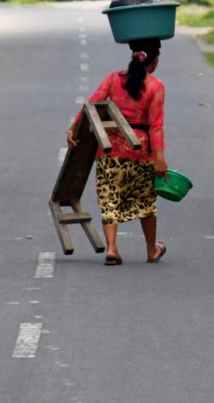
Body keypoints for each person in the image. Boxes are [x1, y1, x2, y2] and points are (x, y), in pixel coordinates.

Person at [67, 38, 168, 265]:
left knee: (109, 199)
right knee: (146, 203)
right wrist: (160, 159)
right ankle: (152, 250)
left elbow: (90, 106)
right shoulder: (155, 86)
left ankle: (112, 248)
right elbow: (156, 126)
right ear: (153, 62)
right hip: (140, 153)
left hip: (110, 150)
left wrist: (73, 128)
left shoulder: (114, 79)